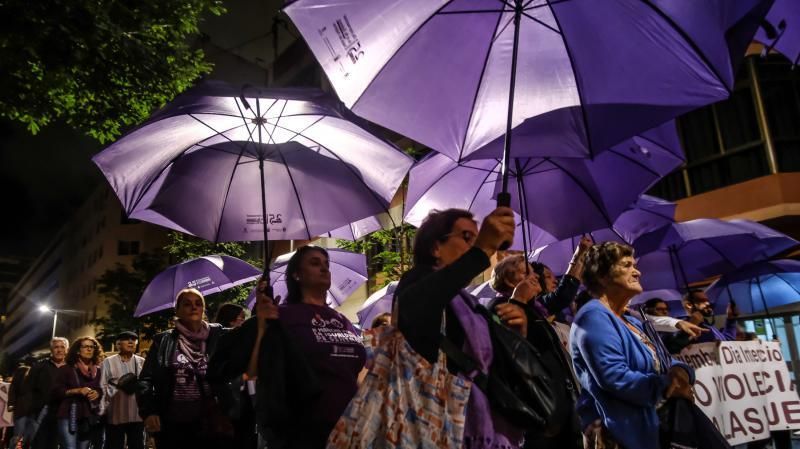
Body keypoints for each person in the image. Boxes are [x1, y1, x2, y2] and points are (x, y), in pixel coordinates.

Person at [395, 207, 529, 448]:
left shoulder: (469, 303)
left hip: (479, 423)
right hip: (436, 424)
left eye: (477, 239)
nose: (474, 245)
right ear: (435, 247)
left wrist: (518, 334)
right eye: (467, 238)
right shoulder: (417, 282)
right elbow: (416, 305)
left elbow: (494, 366)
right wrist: (483, 250)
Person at [211, 245, 366, 449]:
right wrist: (261, 325)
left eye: (326, 264)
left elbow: (359, 370)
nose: (324, 268)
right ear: (296, 275)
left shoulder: (343, 320)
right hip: (303, 430)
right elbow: (252, 371)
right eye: (314, 263)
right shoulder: (281, 316)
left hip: (350, 427)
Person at [571, 242, 694, 449]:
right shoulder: (593, 317)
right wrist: (667, 387)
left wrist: (681, 372)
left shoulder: (633, 321)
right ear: (602, 276)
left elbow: (665, 360)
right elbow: (615, 377)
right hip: (622, 435)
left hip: (653, 429)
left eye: (634, 265)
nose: (636, 271)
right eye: (626, 265)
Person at [487, 254, 582, 449]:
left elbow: (563, 295)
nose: (535, 276)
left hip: (561, 407)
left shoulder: (538, 310)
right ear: (507, 279)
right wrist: (519, 299)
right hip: (535, 411)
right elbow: (508, 349)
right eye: (525, 272)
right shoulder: (498, 307)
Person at [137, 288, 226, 449]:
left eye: (198, 304)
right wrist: (149, 411)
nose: (194, 307)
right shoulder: (163, 340)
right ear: (177, 310)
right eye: (187, 304)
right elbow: (146, 379)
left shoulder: (218, 334)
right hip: (172, 422)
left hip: (208, 421)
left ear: (203, 310)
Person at [52, 337, 104, 449]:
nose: (89, 349)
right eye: (85, 346)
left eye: (92, 347)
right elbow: (56, 391)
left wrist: (98, 393)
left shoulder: (98, 371)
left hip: (88, 416)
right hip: (69, 414)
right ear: (77, 350)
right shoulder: (66, 369)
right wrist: (78, 390)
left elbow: (102, 389)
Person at [530, 235, 592, 320]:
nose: (555, 281)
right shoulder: (537, 305)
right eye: (548, 277)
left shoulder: (562, 312)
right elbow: (563, 294)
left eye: (554, 277)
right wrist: (579, 255)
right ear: (536, 279)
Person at [100, 331, 145, 449]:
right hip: (115, 414)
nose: (131, 342)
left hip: (137, 415)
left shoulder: (141, 361)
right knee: (113, 445)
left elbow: (147, 386)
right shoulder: (108, 361)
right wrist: (103, 410)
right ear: (118, 344)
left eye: (134, 339)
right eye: (127, 339)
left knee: (137, 445)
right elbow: (102, 386)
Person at [28, 337, 69, 449]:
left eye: (62, 347)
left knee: (61, 442)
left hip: (64, 410)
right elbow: (29, 388)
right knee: (39, 442)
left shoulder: (72, 367)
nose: (59, 350)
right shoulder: (39, 366)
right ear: (51, 349)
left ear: (67, 349)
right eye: (56, 347)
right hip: (43, 409)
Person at [8, 362, 33, 448]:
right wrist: (11, 403)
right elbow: (13, 389)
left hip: (33, 411)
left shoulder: (36, 377)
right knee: (18, 435)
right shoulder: (21, 372)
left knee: (29, 437)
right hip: (21, 410)